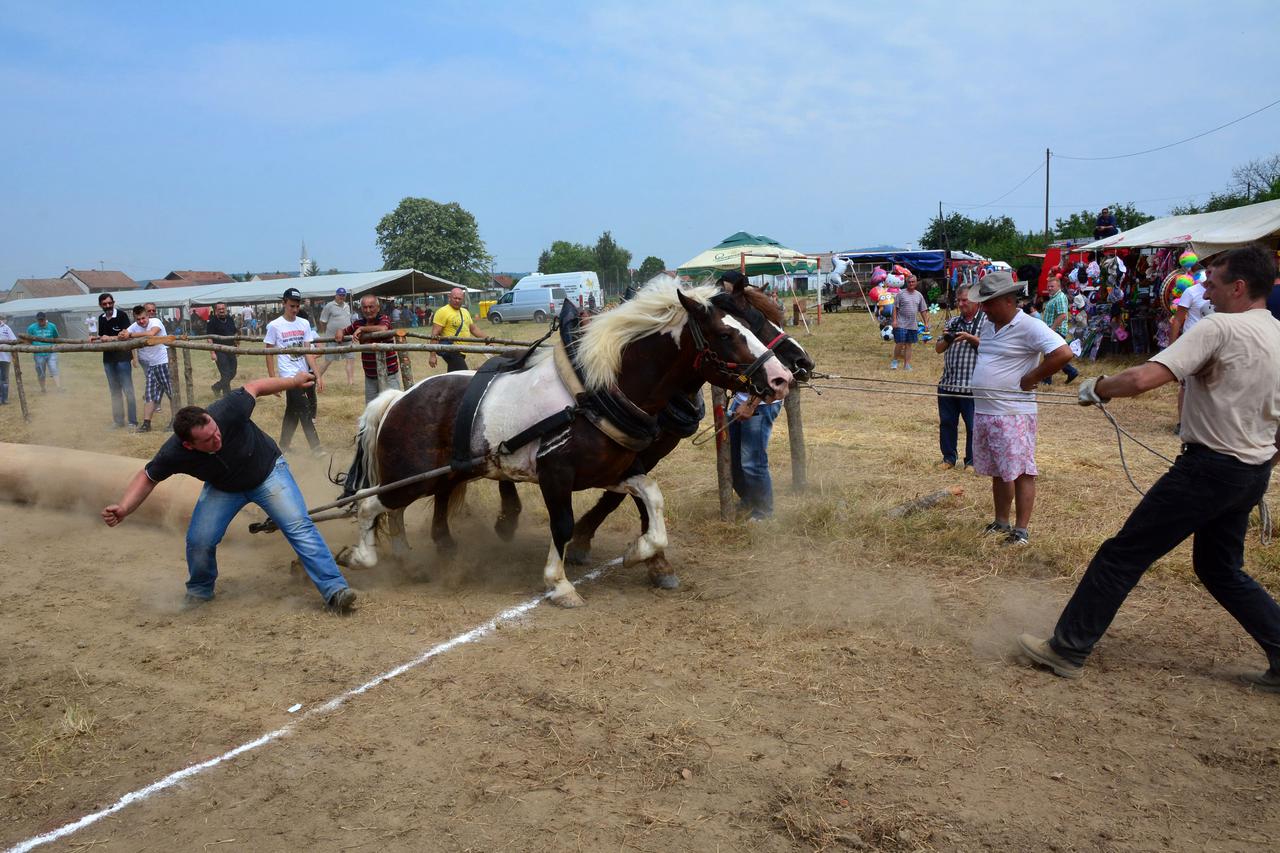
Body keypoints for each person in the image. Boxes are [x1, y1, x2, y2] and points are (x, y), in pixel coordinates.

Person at [1018, 245, 1280, 689]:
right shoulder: (1277, 332)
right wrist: (1263, 463)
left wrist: (1099, 386)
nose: (1205, 293)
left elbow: (1143, 378)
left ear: (1238, 287)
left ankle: (1066, 649)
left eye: (1213, 284)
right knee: (1221, 569)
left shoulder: (1219, 327)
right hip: (1251, 472)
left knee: (1122, 556)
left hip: (1208, 469)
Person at [101, 372, 357, 613]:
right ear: (189, 445)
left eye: (216, 430)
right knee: (199, 540)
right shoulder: (173, 453)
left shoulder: (229, 409)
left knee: (298, 526)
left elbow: (256, 387)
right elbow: (147, 477)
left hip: (268, 472)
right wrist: (124, 508)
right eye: (208, 440)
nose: (217, 438)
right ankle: (199, 591)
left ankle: (335, 590)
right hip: (224, 488)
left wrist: (293, 381)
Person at [969, 271, 1074, 546]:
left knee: (1022, 471)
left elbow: (1063, 353)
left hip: (1013, 413)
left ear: (1007, 300)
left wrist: (1032, 377)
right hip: (986, 411)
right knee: (999, 470)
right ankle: (1001, 521)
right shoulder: (988, 325)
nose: (984, 309)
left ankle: (1021, 530)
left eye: (988, 303)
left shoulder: (1029, 325)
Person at [264, 287, 324, 454]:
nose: (295, 310)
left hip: (304, 373)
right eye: (292, 306)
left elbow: (308, 352)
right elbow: (268, 353)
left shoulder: (304, 323)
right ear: (284, 303)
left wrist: (317, 375)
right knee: (304, 409)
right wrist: (273, 381)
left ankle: (283, 445)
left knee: (292, 411)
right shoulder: (274, 326)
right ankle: (317, 448)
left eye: (297, 306)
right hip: (288, 376)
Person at [935, 284, 984, 471]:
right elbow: (938, 349)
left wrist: (969, 337)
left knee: (973, 426)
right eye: (959, 300)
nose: (961, 304)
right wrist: (947, 339)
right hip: (948, 383)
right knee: (947, 423)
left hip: (972, 386)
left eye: (965, 300)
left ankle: (972, 461)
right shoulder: (953, 322)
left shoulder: (986, 321)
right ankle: (948, 458)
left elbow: (990, 348)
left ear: (976, 300)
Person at [336, 293, 402, 403]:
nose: (368, 310)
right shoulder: (358, 323)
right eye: (365, 307)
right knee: (371, 407)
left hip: (389, 374)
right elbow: (344, 331)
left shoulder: (383, 319)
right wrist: (339, 331)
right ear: (361, 309)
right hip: (370, 376)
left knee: (393, 405)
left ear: (378, 308)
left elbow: (383, 329)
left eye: (371, 307)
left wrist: (362, 329)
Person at [121, 304, 173, 432]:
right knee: (150, 395)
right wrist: (121, 334)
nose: (141, 321)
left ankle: (176, 420)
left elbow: (151, 334)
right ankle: (146, 424)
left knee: (172, 393)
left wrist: (130, 335)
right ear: (135, 318)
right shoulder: (135, 326)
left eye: (143, 318)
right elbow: (123, 334)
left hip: (163, 363)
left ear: (148, 316)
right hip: (151, 365)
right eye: (138, 319)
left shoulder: (156, 322)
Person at [90, 292, 138, 428]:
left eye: (109, 303)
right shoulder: (101, 318)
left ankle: (132, 421)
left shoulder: (122, 315)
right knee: (114, 391)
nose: (108, 306)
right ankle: (118, 421)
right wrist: (96, 338)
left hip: (123, 358)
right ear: (100, 305)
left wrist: (110, 338)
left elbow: (126, 335)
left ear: (114, 303)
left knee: (128, 390)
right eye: (104, 304)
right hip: (108, 359)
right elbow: (103, 336)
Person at [430, 286, 490, 372]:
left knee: (454, 376)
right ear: (449, 297)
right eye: (455, 298)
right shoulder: (442, 311)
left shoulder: (465, 312)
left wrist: (487, 339)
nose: (457, 300)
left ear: (463, 299)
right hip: (451, 350)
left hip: (461, 351)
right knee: (464, 374)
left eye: (459, 299)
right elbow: (435, 334)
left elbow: (473, 329)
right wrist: (432, 355)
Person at [1040, 276, 1080, 385]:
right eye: (1048, 286)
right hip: (1053, 330)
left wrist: (1052, 329)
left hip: (1056, 331)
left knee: (1050, 355)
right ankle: (1071, 372)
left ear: (1059, 286)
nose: (1049, 288)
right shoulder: (1054, 297)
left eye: (1052, 286)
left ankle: (1047, 380)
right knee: (1054, 355)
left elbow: (1062, 315)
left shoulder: (1060, 297)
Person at [316, 287, 355, 387]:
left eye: (343, 295)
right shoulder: (329, 306)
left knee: (350, 358)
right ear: (336, 295)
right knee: (328, 360)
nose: (342, 297)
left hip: (346, 337)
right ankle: (316, 378)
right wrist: (327, 332)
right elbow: (322, 321)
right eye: (340, 295)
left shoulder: (347, 306)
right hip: (332, 338)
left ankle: (350, 383)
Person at [889, 275, 928, 370]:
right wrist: (894, 320)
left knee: (909, 344)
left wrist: (926, 323)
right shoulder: (901, 294)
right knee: (900, 342)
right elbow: (895, 308)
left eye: (913, 282)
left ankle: (907, 365)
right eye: (909, 282)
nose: (911, 283)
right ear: (907, 283)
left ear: (916, 283)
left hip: (912, 325)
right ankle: (895, 360)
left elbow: (923, 310)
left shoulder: (919, 295)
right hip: (901, 323)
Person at [205, 302, 239, 398]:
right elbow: (209, 338)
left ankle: (217, 387)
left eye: (223, 308)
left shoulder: (230, 319)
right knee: (226, 373)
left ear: (226, 309)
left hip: (231, 349)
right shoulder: (212, 322)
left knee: (233, 372)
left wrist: (236, 347)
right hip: (219, 350)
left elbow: (234, 333)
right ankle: (227, 396)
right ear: (216, 310)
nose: (221, 310)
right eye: (219, 309)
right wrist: (212, 353)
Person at [25, 311, 63, 392]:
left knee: (54, 368)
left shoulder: (52, 326)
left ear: (46, 319)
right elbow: (28, 340)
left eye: (42, 319)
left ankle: (59, 387)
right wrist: (32, 347)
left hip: (51, 352)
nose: (41, 321)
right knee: (41, 372)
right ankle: (43, 388)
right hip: (38, 353)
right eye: (39, 320)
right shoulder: (31, 328)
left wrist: (55, 346)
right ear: (36, 320)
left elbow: (56, 337)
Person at [0, 314, 15, 405]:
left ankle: (4, 398)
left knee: (4, 378)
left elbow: (13, 340)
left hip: (5, 358)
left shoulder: (6, 328)